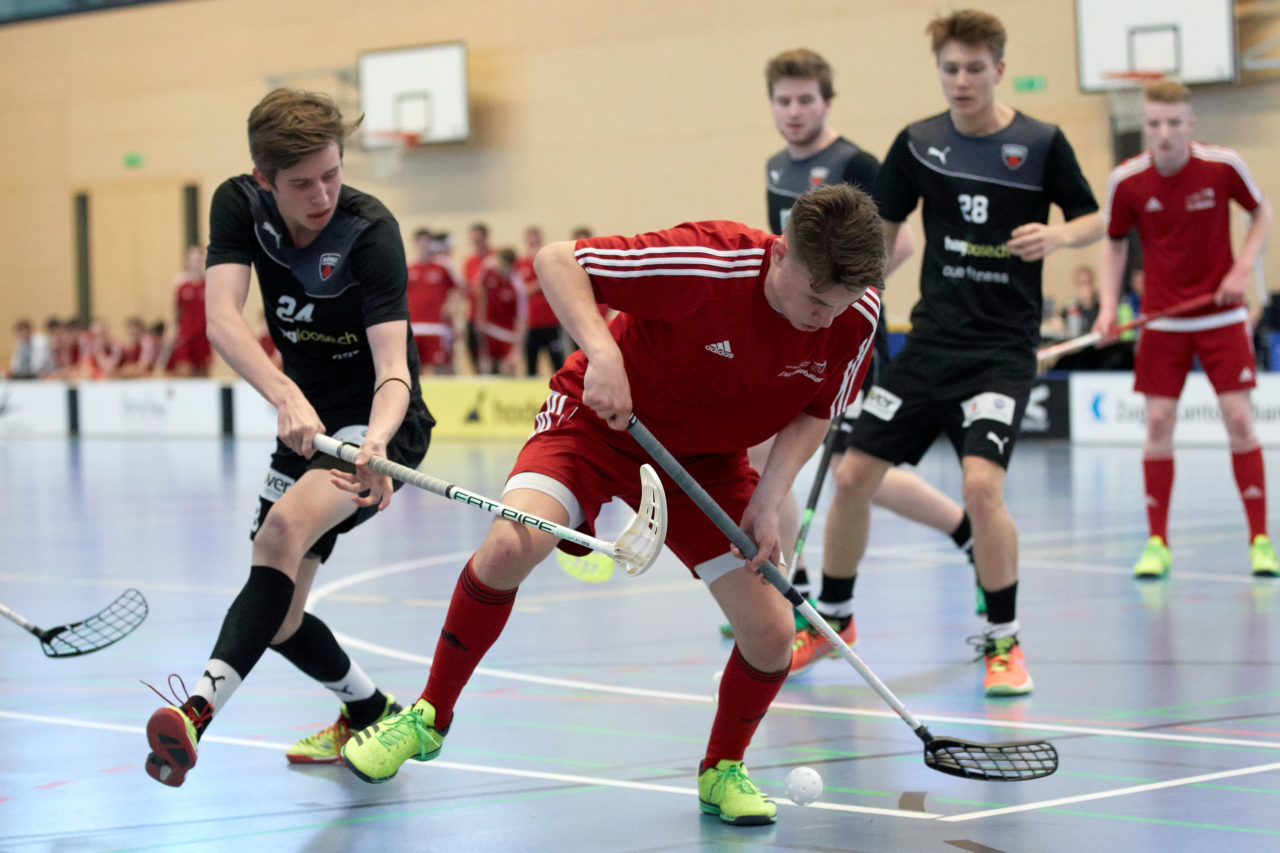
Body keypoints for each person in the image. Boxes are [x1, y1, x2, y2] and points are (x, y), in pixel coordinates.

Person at [339, 184, 885, 827]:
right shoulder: (707, 261)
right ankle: (429, 716)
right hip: (596, 428)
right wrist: (604, 352)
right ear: (782, 254)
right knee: (511, 543)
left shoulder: (856, 313)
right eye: (816, 299)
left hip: (702, 465)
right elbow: (558, 261)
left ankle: (721, 770)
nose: (825, 319)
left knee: (770, 636)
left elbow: (815, 412)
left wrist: (769, 499)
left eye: (840, 304)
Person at [142, 87, 435, 788]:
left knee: (278, 535)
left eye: (332, 173)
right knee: (279, 617)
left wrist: (379, 447)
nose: (323, 194)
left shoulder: (370, 231)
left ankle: (196, 712)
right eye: (302, 183)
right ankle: (369, 709)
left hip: (376, 423)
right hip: (303, 424)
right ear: (263, 179)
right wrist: (285, 393)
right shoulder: (237, 205)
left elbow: (395, 370)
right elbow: (222, 320)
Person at [819, 10, 1103, 697]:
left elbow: (1096, 216)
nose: (962, 80)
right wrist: (840, 302)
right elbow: (881, 235)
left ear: (999, 68)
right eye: (951, 68)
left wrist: (1060, 240)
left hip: (1001, 350)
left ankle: (1003, 641)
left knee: (981, 486)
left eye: (976, 68)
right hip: (929, 343)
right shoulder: (918, 143)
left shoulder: (1041, 143)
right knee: (853, 475)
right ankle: (832, 618)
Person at [757, 48, 979, 672]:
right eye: (783, 100)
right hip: (789, 339)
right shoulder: (778, 168)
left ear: (827, 101)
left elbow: (901, 239)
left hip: (842, 345)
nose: (794, 111)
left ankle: (964, 530)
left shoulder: (856, 163)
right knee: (774, 459)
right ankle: (789, 590)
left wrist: (844, 296)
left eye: (805, 100)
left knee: (858, 473)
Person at [1094, 80, 1278, 579]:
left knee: (1240, 420)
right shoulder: (1126, 181)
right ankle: (1157, 542)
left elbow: (1262, 213)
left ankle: (1260, 540)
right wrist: (1109, 306)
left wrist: (1242, 270)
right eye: (1155, 124)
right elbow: (1112, 244)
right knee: (1157, 426)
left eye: (1174, 123)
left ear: (1190, 124)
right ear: (1145, 127)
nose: (1165, 133)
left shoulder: (1223, 166)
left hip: (1221, 318)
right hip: (1162, 319)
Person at [407, 227, 463, 375]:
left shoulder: (443, 267)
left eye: (427, 242)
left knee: (443, 369)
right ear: (415, 244)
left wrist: (453, 314)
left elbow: (460, 290)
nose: (423, 245)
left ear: (431, 244)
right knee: (413, 371)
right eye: (420, 242)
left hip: (438, 327)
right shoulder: (408, 269)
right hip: (415, 327)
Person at [514, 226, 566, 376]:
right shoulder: (521, 264)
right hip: (530, 324)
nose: (534, 246)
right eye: (531, 242)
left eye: (536, 242)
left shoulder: (550, 263)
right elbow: (520, 290)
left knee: (557, 363)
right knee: (531, 364)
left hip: (550, 322)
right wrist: (540, 283)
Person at [164, 245, 214, 377]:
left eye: (199, 259)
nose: (196, 263)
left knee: (203, 373)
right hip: (186, 335)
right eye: (193, 259)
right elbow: (174, 310)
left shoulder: (208, 282)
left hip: (204, 335)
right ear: (187, 261)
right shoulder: (180, 283)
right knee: (184, 371)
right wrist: (171, 329)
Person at [477, 246, 526, 375]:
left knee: (508, 369)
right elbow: (480, 294)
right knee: (487, 368)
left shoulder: (517, 284)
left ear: (506, 263)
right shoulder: (490, 274)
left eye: (498, 260)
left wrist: (517, 347)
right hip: (490, 329)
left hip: (508, 335)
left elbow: (522, 316)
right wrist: (480, 319)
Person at [461, 222, 495, 374]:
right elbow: (469, 287)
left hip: (492, 316)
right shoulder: (470, 261)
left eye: (478, 239)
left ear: (485, 238)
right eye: (473, 239)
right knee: (472, 351)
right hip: (473, 314)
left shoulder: (494, 259)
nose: (476, 242)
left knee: (491, 354)